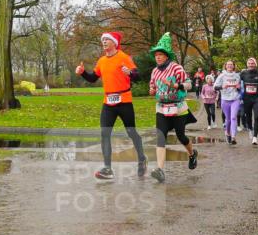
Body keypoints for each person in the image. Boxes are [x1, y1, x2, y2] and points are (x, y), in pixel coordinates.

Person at [76, 31, 147, 179]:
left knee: (131, 132)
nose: (104, 42)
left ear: (114, 43)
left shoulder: (124, 57)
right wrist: (83, 72)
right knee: (105, 133)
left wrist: (130, 73)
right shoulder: (101, 60)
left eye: (107, 39)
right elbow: (92, 78)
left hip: (124, 100)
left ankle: (142, 159)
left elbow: (138, 76)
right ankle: (107, 168)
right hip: (108, 102)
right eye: (103, 40)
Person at [147, 33, 198, 183]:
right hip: (161, 107)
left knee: (181, 136)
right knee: (160, 137)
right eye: (156, 55)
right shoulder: (155, 71)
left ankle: (192, 154)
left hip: (178, 108)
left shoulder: (176, 68)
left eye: (161, 54)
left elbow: (189, 85)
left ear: (167, 56)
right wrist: (151, 90)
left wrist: (174, 85)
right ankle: (160, 170)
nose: (158, 57)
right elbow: (152, 85)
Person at [214, 59, 243, 145]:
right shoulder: (222, 76)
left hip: (235, 99)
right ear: (225, 66)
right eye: (228, 65)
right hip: (225, 99)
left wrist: (238, 87)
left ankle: (233, 137)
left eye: (231, 65)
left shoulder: (237, 76)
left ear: (234, 66)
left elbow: (240, 88)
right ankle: (227, 133)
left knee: (233, 117)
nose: (230, 66)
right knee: (228, 119)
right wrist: (222, 86)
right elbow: (215, 87)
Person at [239, 57, 258, 146]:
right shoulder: (243, 73)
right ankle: (250, 129)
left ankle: (255, 137)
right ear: (247, 64)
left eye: (252, 63)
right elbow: (237, 82)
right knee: (248, 116)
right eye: (249, 63)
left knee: (257, 117)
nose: (251, 65)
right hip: (247, 98)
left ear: (255, 64)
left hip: (257, 98)